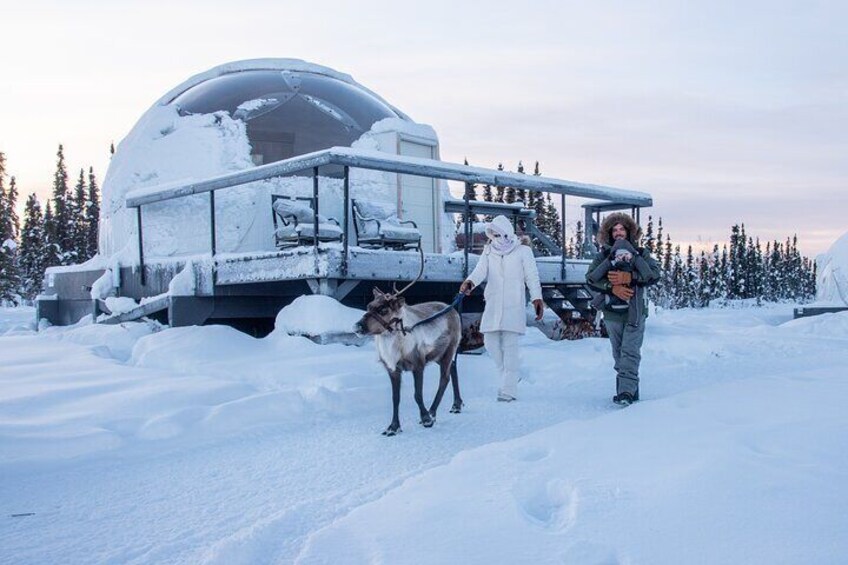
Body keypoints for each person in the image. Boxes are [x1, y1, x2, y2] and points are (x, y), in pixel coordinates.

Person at [460, 215, 544, 402]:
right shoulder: (489, 251)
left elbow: (532, 275)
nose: (497, 238)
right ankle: (511, 375)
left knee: (510, 346)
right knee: (490, 342)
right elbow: (480, 271)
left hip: (513, 304)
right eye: (494, 234)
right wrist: (470, 282)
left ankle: (509, 389)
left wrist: (537, 298)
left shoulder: (523, 251)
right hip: (493, 302)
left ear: (507, 233)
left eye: (500, 234)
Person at [586, 212, 660, 406]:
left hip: (635, 313)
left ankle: (625, 392)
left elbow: (654, 275)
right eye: (615, 230)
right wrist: (612, 288)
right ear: (609, 233)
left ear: (629, 232)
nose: (618, 233)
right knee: (619, 355)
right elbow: (591, 279)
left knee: (630, 352)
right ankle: (629, 389)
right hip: (612, 313)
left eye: (622, 229)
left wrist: (631, 278)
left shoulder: (641, 254)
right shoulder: (603, 256)